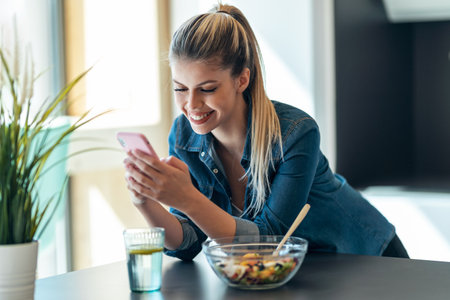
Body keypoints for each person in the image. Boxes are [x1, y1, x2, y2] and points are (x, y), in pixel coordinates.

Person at [123, 3, 408, 261]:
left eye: (207, 89)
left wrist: (186, 197)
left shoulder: (296, 134)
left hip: (366, 259)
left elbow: (268, 242)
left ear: (242, 79)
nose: (192, 105)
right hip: (299, 271)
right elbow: (187, 243)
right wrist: (144, 201)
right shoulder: (184, 137)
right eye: (180, 89)